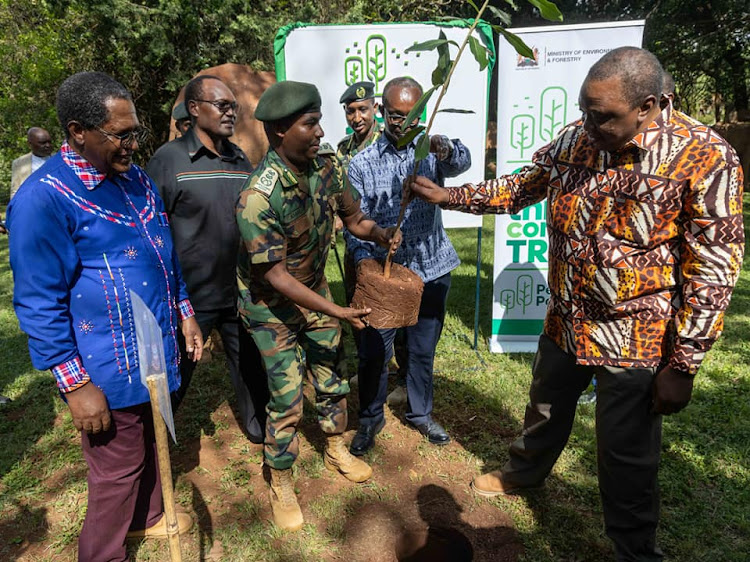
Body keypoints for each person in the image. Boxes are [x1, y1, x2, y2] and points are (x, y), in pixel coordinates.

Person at [410, 47, 744, 561]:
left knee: (624, 456)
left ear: (649, 106)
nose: (587, 124)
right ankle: (525, 472)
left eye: (602, 115)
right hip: (566, 319)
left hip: (637, 340)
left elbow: (713, 268)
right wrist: (451, 197)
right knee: (544, 408)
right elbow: (522, 186)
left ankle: (633, 550)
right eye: (584, 110)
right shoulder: (577, 138)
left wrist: (684, 364)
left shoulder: (705, 156)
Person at [7, 71, 203, 562]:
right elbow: (38, 301)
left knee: (153, 444)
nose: (133, 144)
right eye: (121, 134)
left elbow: (163, 254)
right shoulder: (43, 198)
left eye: (135, 131)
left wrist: (184, 313)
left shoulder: (134, 178)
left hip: (155, 349)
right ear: (78, 131)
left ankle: (149, 518)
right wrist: (76, 386)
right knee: (117, 469)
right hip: (105, 366)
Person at [236, 80, 401, 531]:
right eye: (310, 124)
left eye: (319, 120)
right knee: (287, 397)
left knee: (331, 375)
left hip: (315, 291)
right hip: (271, 306)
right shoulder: (257, 198)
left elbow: (354, 219)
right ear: (279, 131)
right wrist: (338, 311)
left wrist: (380, 233)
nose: (320, 131)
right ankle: (281, 478)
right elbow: (273, 276)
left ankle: (334, 447)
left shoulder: (328, 165)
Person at [344, 76, 471, 456]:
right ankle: (369, 420)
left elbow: (462, 162)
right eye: (396, 115)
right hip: (387, 276)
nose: (404, 122)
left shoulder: (431, 151)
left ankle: (420, 414)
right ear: (383, 113)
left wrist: (443, 146)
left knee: (421, 350)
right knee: (373, 353)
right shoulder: (361, 164)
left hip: (432, 269)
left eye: (413, 114)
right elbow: (354, 223)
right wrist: (367, 262)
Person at [147, 75, 269, 443]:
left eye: (234, 106)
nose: (231, 112)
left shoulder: (239, 157)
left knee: (250, 366)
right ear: (195, 109)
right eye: (222, 105)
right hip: (190, 298)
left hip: (237, 290)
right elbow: (152, 231)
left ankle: (258, 426)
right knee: (177, 373)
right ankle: (157, 441)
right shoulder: (169, 160)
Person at [336, 81, 382, 169]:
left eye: (363, 110)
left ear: (375, 108)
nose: (357, 119)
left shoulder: (386, 141)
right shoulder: (343, 148)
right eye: (350, 111)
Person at [10, 127, 54, 199]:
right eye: (42, 143)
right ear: (30, 144)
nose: (48, 145)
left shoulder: (59, 160)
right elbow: (15, 191)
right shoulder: (19, 163)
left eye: (49, 142)